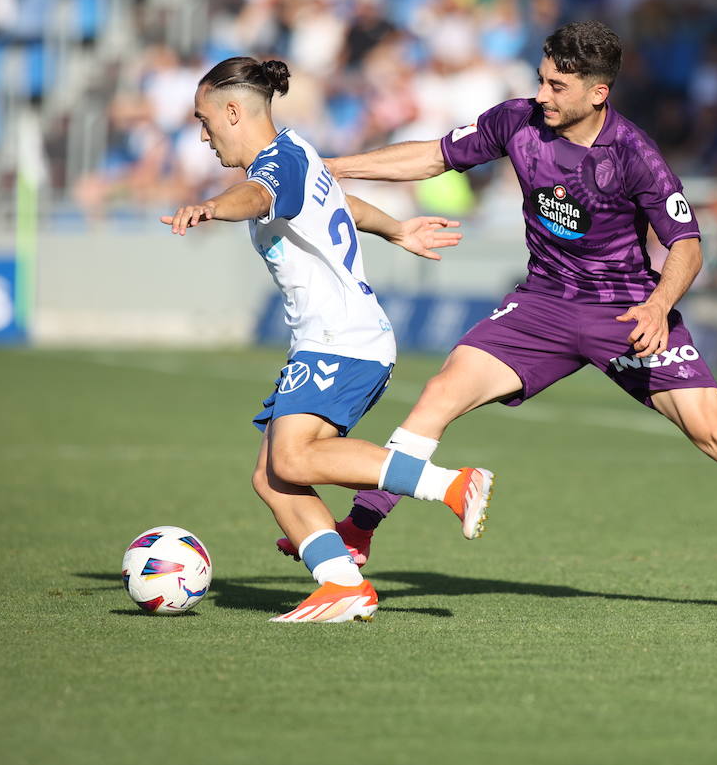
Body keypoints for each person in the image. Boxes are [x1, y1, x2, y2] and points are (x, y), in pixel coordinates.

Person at [307, 21, 717, 616]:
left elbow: (686, 244)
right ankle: (360, 529)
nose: (543, 96)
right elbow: (432, 157)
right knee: (440, 394)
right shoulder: (516, 120)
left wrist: (658, 305)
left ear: (597, 93)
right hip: (542, 305)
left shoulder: (634, 155)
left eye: (557, 86)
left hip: (627, 311)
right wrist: (333, 166)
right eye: (541, 80)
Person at [162, 56, 493, 622]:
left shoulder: (275, 168)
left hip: (340, 339)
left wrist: (213, 207)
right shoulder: (301, 153)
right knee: (271, 476)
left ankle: (450, 484)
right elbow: (341, 204)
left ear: (234, 111)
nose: (204, 134)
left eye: (204, 119)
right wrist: (397, 228)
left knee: (292, 457)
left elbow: (258, 197)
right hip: (335, 339)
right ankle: (341, 583)